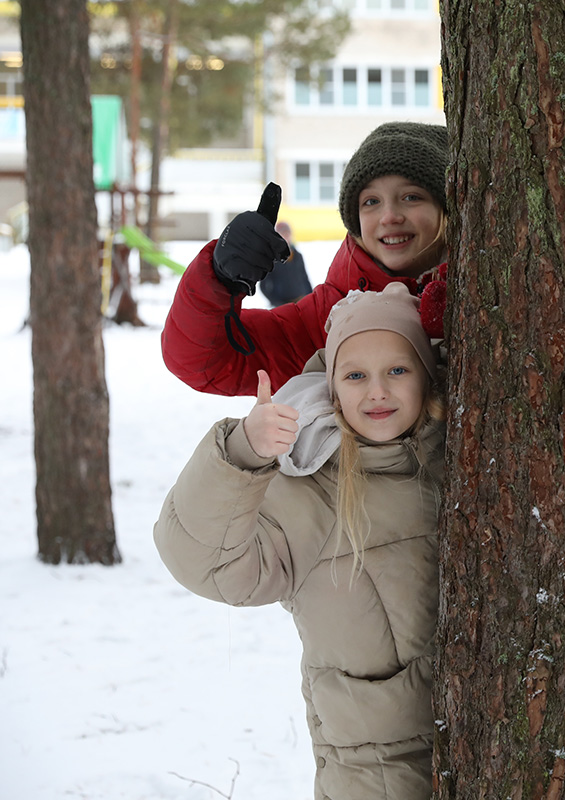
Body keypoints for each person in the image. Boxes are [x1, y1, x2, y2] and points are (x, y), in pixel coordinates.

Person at [155, 283, 446, 799]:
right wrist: (243, 452)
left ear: (426, 376)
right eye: (356, 375)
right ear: (332, 388)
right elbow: (203, 562)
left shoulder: (455, 457)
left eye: (397, 370)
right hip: (372, 766)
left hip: (478, 730)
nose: (376, 391)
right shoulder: (308, 489)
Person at [161, 121, 449, 396]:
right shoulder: (325, 321)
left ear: (448, 208)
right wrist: (219, 278)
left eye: (411, 197)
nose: (389, 216)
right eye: (371, 202)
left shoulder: (485, 297)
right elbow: (204, 363)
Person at [259, 220, 313, 307]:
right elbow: (264, 286)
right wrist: (275, 302)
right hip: (283, 305)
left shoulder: (298, 255)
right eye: (283, 234)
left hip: (301, 302)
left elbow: (305, 278)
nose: (286, 236)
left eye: (287, 233)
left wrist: (311, 297)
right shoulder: (271, 258)